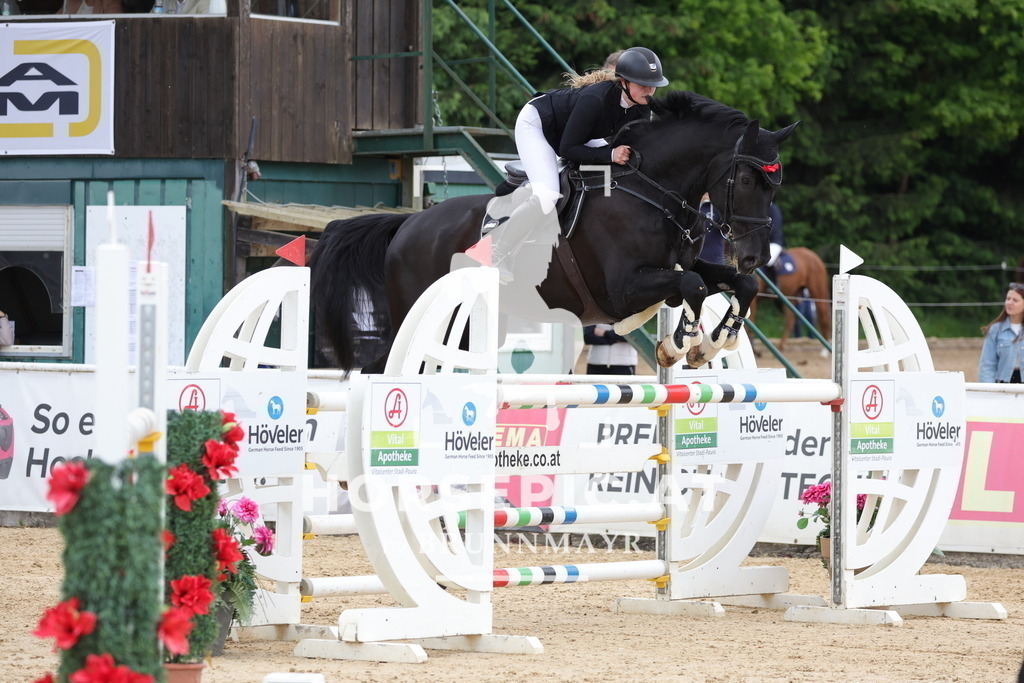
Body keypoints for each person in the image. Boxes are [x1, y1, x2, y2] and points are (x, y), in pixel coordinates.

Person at [488, 47, 669, 283]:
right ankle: (496, 253)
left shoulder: (642, 105)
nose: (650, 90)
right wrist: (611, 154)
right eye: (643, 84)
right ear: (623, 82)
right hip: (538, 124)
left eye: (653, 85)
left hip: (577, 133)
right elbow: (568, 149)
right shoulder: (595, 99)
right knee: (548, 195)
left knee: (614, 176)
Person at [978, 282, 1024, 383]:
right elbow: (987, 365)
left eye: (1015, 300)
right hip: (1003, 384)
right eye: (1008, 299)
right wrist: (989, 389)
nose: (1009, 303)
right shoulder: (995, 330)